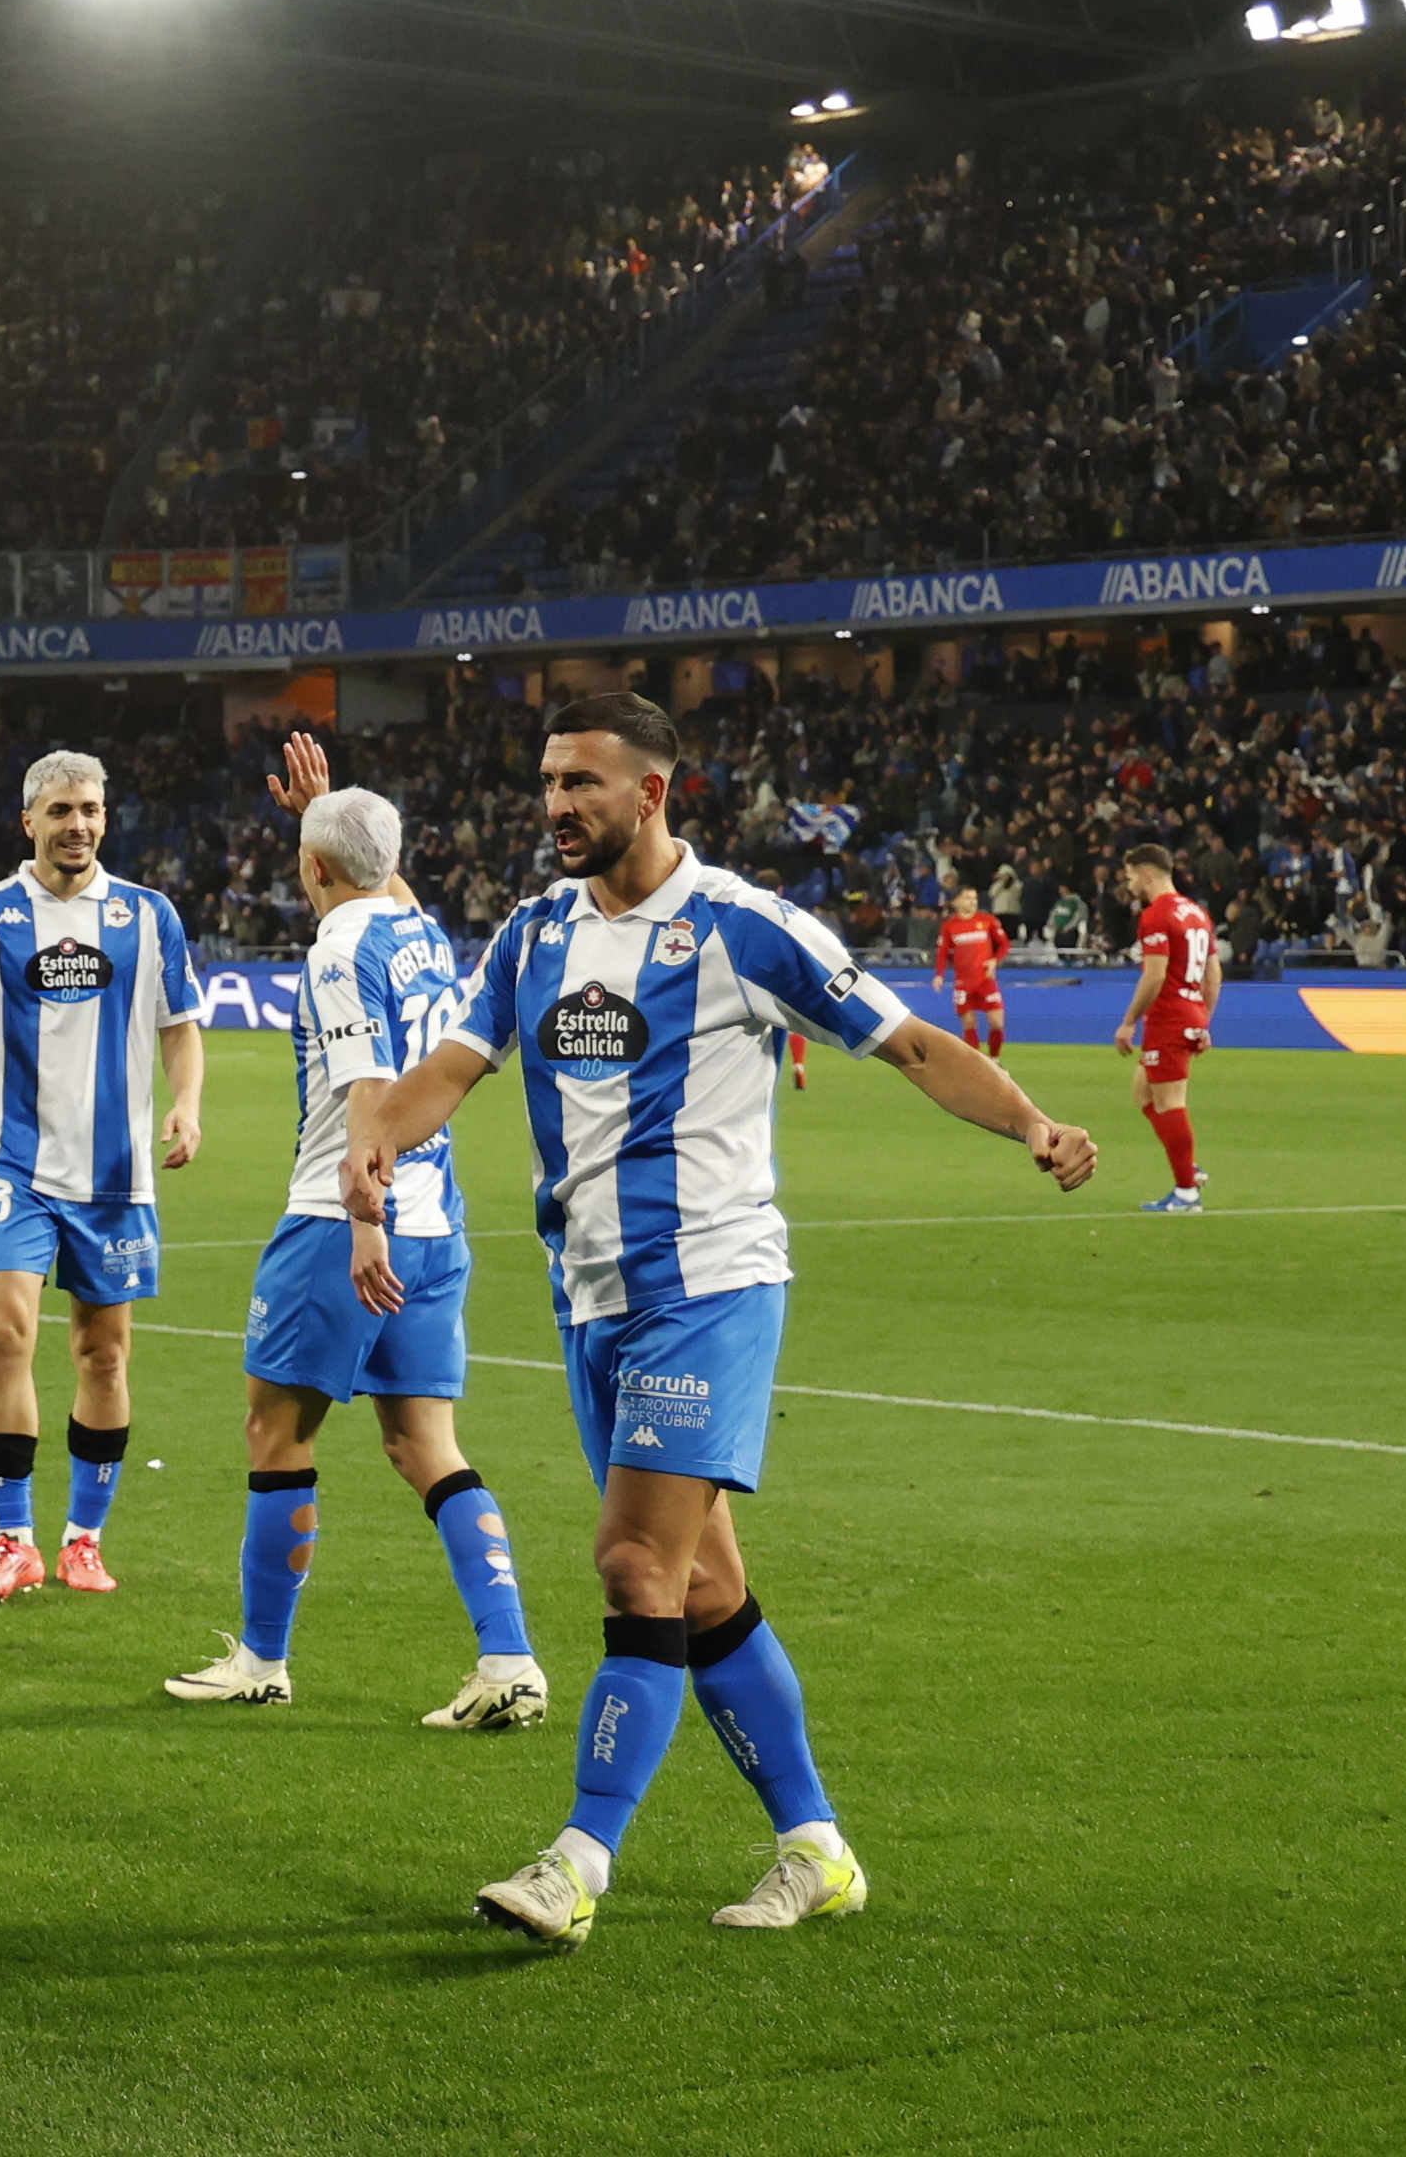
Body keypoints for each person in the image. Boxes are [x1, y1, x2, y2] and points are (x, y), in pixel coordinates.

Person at [344, 692, 1094, 1948]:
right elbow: (452, 1070)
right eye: (547, 781)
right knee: (698, 1585)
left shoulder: (745, 927)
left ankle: (576, 1862)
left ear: (652, 792)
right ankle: (817, 1849)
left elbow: (907, 1043)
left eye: (582, 782)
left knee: (633, 1562)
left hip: (711, 1286)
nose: (557, 806)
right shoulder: (531, 935)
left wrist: (1031, 1122)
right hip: (592, 1299)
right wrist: (377, 1142)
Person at [167, 742, 543, 1726]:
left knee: (274, 1430)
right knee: (426, 1445)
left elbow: (370, 1091)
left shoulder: (336, 953)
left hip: (346, 1221)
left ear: (312, 869)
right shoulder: (418, 931)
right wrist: (330, 809)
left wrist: (361, 1220)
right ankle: (508, 1661)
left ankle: (261, 1658)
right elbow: (377, 880)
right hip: (438, 1222)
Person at [0, 748, 206, 1603]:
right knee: (6, 1332)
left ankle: (83, 1537)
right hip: (13, 1160)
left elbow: (180, 1023)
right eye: (60, 811)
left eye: (89, 810)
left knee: (102, 1355)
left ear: (104, 820)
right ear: (28, 821)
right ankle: (12, 1539)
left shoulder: (150, 916)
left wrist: (186, 1104)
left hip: (114, 1172)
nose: (76, 824)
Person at [1113, 845, 1217, 1212]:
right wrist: (1204, 1019)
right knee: (1143, 1092)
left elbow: (1154, 976)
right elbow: (1212, 973)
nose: (1129, 884)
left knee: (1171, 1102)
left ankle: (1186, 1192)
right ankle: (1186, 1167)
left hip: (1170, 1016)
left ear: (1147, 873)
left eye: (1130, 876)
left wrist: (1128, 1022)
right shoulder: (1197, 913)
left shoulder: (1157, 915)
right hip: (1188, 1012)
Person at [936, 886, 1008, 1056]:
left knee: (997, 1022)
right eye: (968, 897)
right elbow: (943, 953)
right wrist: (939, 975)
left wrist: (994, 961)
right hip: (963, 982)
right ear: (957, 901)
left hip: (985, 980)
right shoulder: (949, 926)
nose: (973, 901)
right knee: (969, 1024)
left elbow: (1004, 945)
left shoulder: (987, 920)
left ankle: (995, 1059)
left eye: (974, 898)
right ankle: (978, 1064)